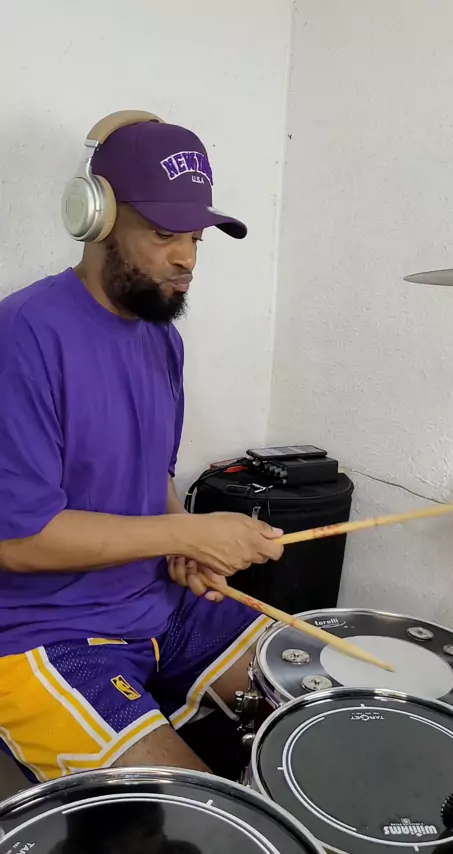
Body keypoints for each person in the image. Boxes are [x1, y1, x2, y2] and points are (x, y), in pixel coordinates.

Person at [0, 111, 284, 782]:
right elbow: (19, 540)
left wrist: (185, 543)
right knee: (196, 817)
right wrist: (185, 534)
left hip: (158, 601)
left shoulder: (162, 338)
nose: (187, 258)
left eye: (195, 237)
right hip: (41, 631)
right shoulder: (22, 336)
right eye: (163, 234)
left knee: (323, 701)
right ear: (97, 217)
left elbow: (153, 475)